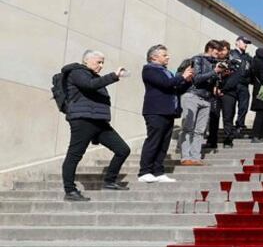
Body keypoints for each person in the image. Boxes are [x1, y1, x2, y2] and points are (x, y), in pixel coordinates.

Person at [59, 51, 131, 201]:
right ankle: (70, 191)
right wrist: (113, 76)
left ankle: (109, 181)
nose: (101, 66)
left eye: (102, 62)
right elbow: (90, 86)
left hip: (99, 122)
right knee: (75, 154)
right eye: (99, 62)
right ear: (87, 60)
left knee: (123, 150)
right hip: (83, 120)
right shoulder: (77, 72)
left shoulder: (94, 77)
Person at [139, 45, 194, 183]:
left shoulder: (166, 71)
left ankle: (158, 172)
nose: (168, 57)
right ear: (154, 57)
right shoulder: (149, 69)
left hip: (168, 111)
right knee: (154, 141)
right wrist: (182, 76)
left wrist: (187, 81)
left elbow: (176, 88)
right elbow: (166, 84)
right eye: (164, 55)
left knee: (164, 143)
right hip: (155, 111)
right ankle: (144, 171)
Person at [178, 40, 226, 166]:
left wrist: (221, 75)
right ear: (210, 48)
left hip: (206, 99)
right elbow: (197, 79)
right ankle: (185, 157)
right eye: (218, 51)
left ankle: (195, 157)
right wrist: (214, 71)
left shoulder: (214, 63)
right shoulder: (197, 59)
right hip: (192, 96)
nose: (220, 53)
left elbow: (212, 81)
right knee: (188, 128)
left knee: (200, 131)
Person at [228, 36, 253, 133]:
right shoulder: (231, 54)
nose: (246, 45)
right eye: (244, 42)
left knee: (243, 106)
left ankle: (240, 124)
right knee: (231, 107)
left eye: (247, 43)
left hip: (244, 84)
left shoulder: (248, 57)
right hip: (232, 84)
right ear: (237, 42)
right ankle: (229, 126)